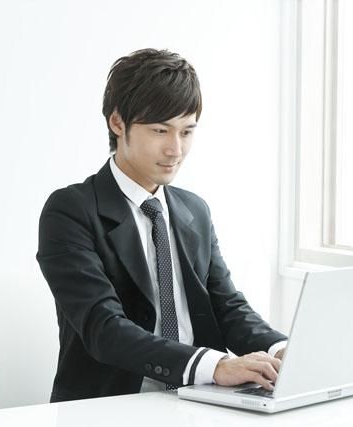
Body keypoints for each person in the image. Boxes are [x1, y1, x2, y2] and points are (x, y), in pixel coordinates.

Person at [36, 48, 287, 403]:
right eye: (160, 130)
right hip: (112, 406)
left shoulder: (194, 210)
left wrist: (282, 350)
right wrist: (214, 365)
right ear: (117, 123)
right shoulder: (71, 211)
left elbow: (228, 307)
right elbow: (104, 328)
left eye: (186, 132)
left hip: (199, 400)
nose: (175, 149)